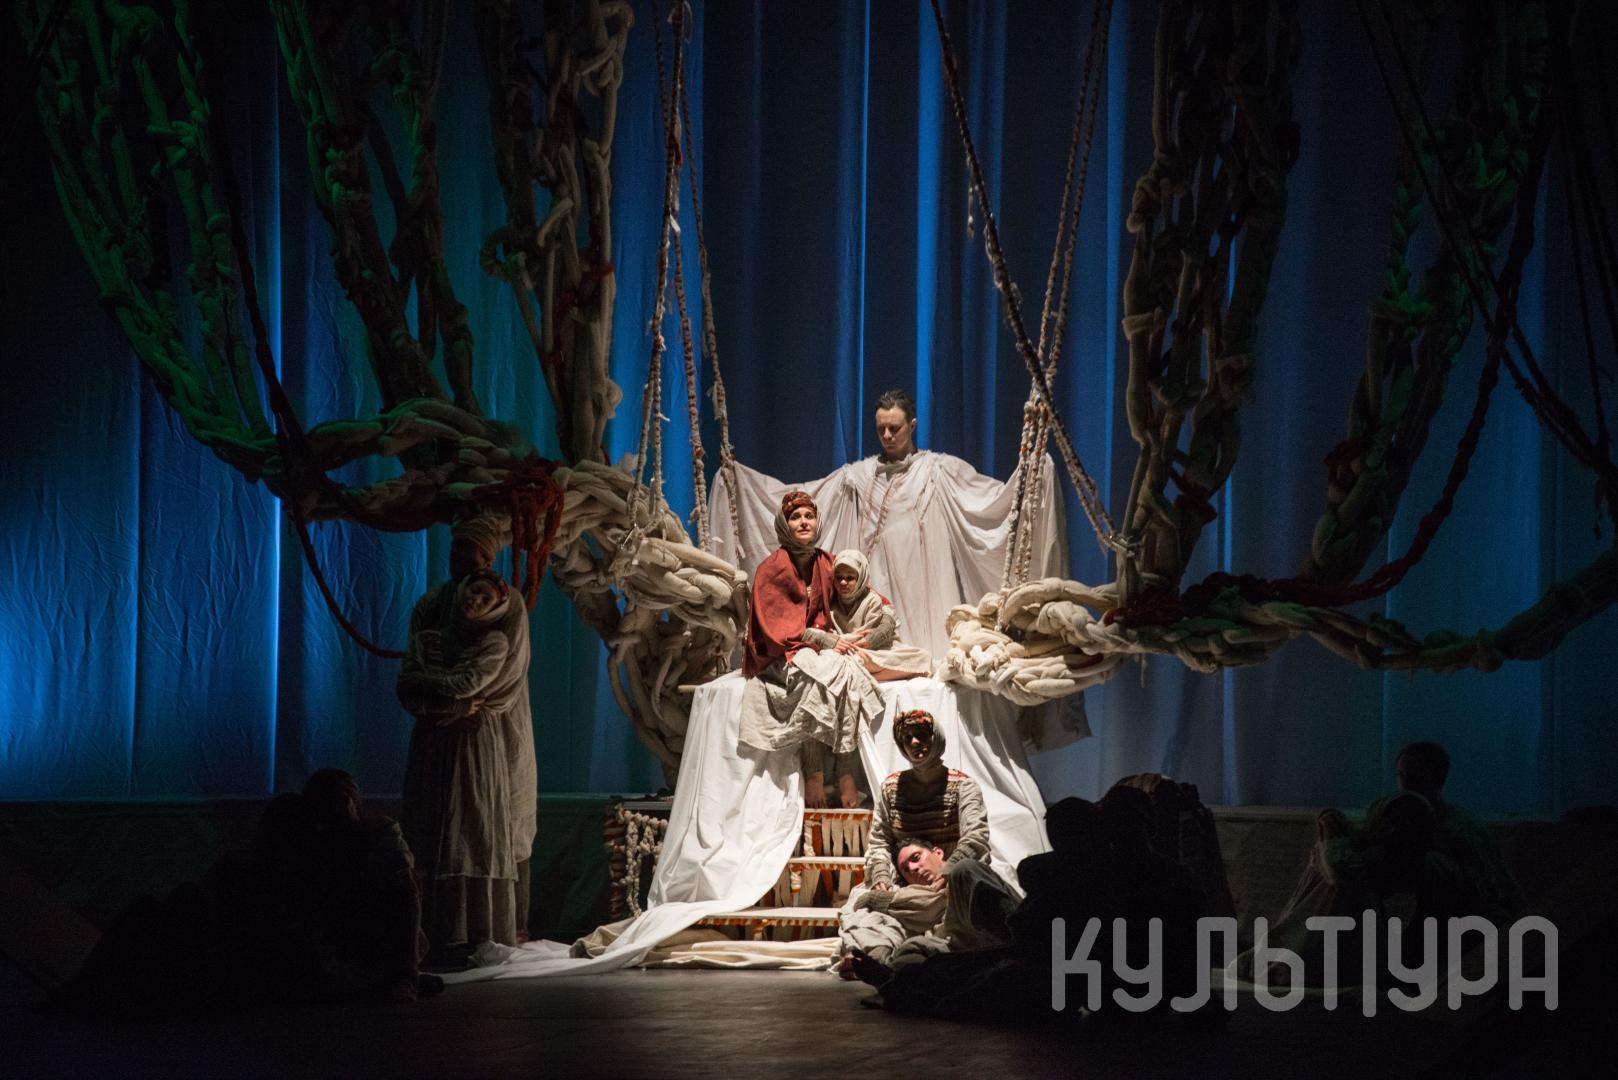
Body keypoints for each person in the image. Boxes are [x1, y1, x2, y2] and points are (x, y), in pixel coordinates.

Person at [397, 563, 534, 958]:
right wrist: (449, 703)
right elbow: (406, 688)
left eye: (485, 598)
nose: (475, 600)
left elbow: (468, 683)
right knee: (432, 821)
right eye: (473, 591)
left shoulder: (494, 643)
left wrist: (430, 687)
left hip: (474, 744)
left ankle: (473, 930)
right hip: (433, 740)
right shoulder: (429, 638)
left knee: (471, 825)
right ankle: (431, 932)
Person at [738, 491, 881, 809]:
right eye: (795, 517)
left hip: (817, 650)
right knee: (814, 678)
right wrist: (823, 640)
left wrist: (879, 624)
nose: (804, 522)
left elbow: (863, 593)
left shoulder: (827, 562)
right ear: (784, 525)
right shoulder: (771, 569)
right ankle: (815, 770)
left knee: (846, 673)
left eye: (809, 516)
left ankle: (845, 769)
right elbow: (773, 630)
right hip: (780, 654)